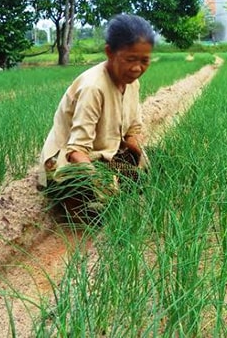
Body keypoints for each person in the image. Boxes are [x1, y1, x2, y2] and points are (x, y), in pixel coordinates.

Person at [38, 14, 155, 222]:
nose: (137, 68)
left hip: (103, 154)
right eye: (130, 59)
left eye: (144, 61)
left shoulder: (132, 83)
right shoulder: (94, 87)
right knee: (101, 209)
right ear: (110, 52)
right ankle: (73, 207)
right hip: (70, 162)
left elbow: (131, 133)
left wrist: (141, 162)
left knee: (149, 164)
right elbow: (77, 152)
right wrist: (103, 186)